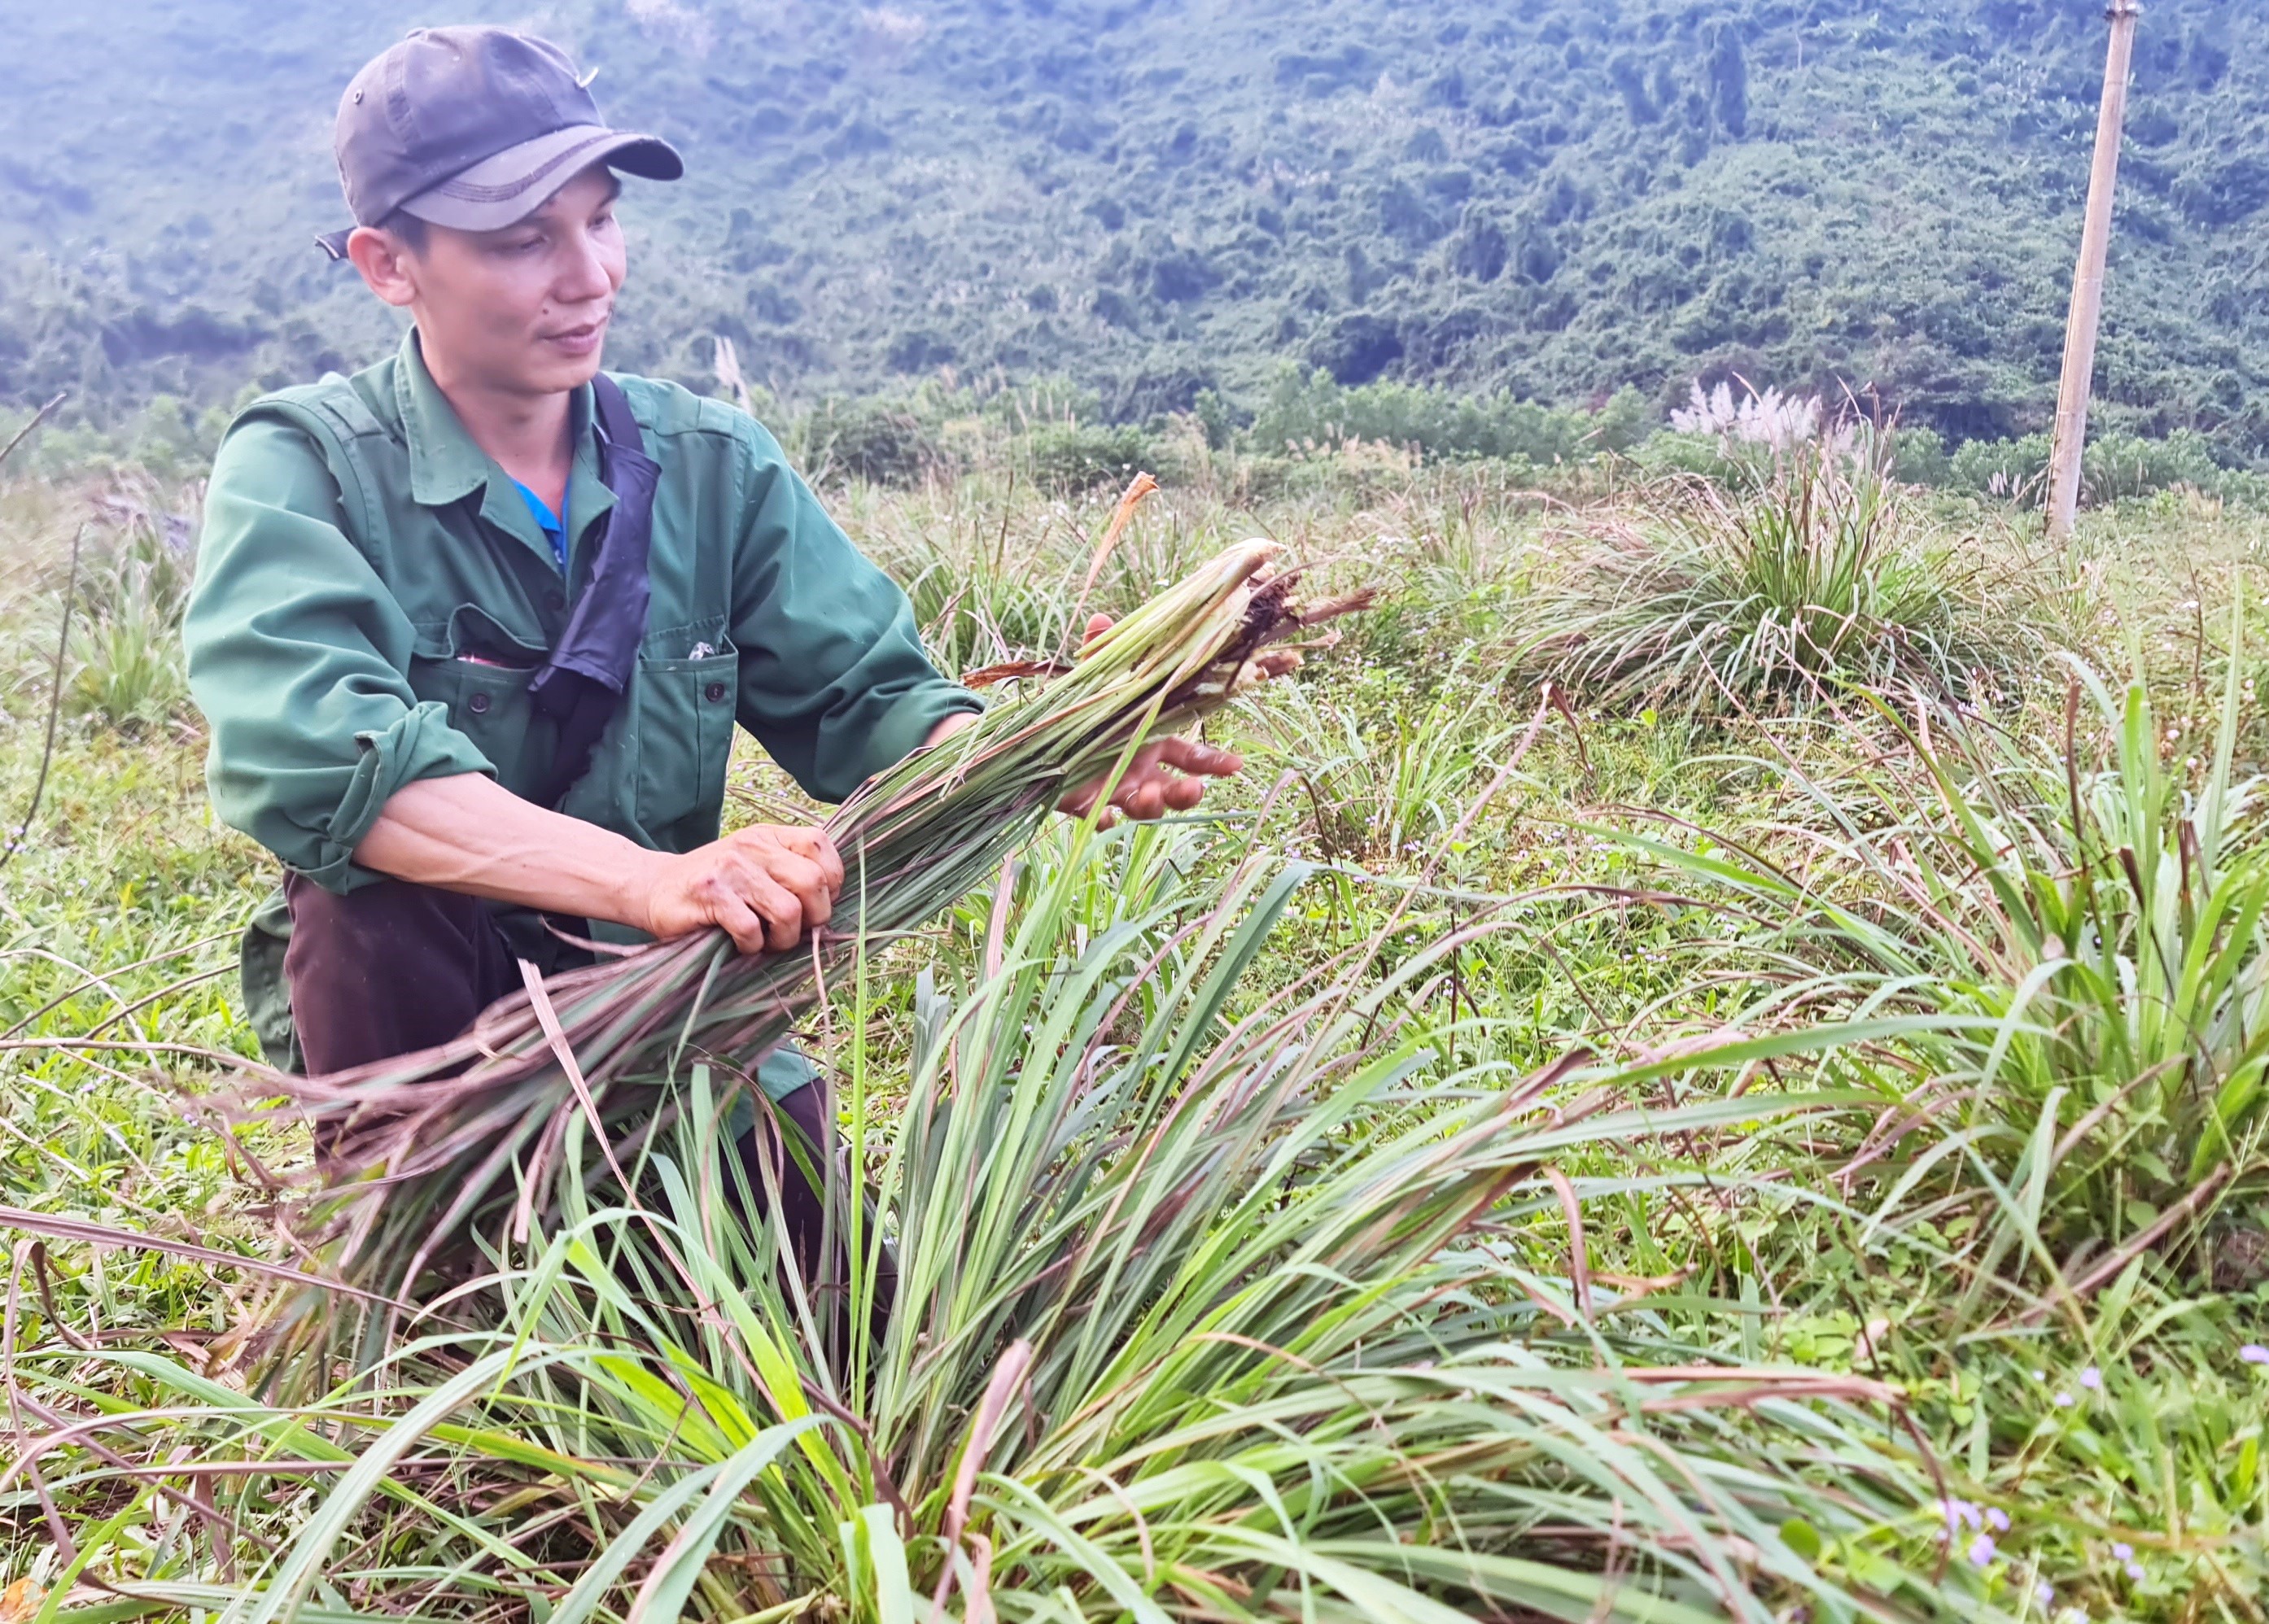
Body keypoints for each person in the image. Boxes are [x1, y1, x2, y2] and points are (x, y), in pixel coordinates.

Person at [181, 25, 1242, 1248]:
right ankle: (423, 1262)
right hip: (439, 1024)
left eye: (599, 220)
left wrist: (1057, 744)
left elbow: (873, 703)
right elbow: (325, 764)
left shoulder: (708, 465)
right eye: (523, 238)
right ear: (388, 262)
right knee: (362, 902)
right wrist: (654, 879)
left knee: (834, 1327)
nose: (590, 276)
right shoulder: (304, 465)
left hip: (672, 995)